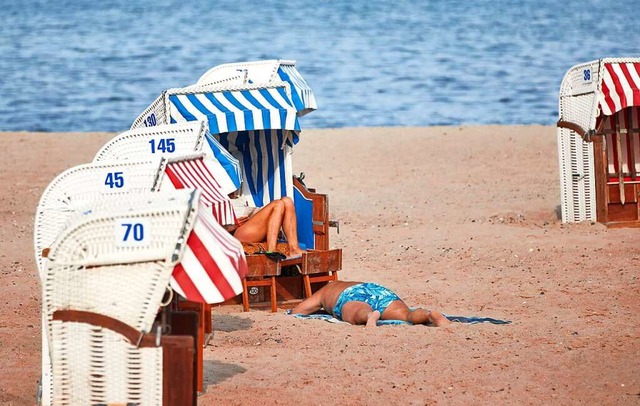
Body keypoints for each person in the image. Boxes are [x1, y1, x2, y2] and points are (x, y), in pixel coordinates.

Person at [290, 280, 451, 327]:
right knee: (407, 315)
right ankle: (429, 315)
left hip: (350, 296)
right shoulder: (340, 283)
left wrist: (322, 306)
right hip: (376, 289)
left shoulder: (324, 292)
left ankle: (369, 316)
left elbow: (298, 311)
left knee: (356, 313)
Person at [225, 193, 304, 258]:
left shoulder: (240, 195)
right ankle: (271, 250)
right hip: (237, 232)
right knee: (278, 204)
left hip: (250, 224)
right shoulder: (217, 197)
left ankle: (294, 248)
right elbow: (213, 226)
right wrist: (232, 225)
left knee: (287, 200)